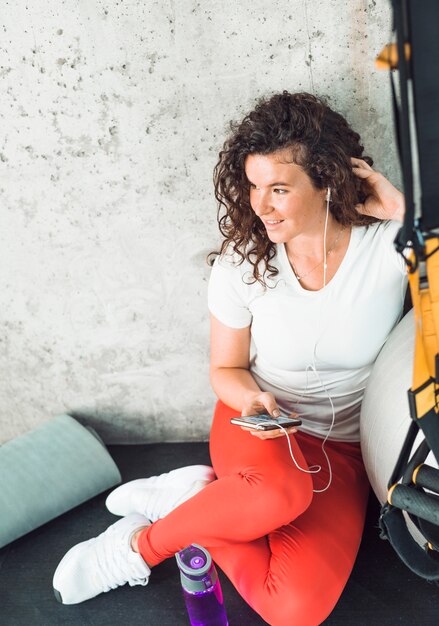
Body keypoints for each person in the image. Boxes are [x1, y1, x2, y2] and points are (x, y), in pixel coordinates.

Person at [53, 92, 407, 626]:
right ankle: (134, 549)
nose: (260, 205)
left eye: (280, 189)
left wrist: (406, 213)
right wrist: (254, 401)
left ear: (328, 180)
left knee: (296, 612)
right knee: (280, 492)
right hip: (259, 428)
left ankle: (191, 501)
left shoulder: (389, 246)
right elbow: (226, 369)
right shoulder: (243, 263)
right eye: (254, 185)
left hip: (346, 451)